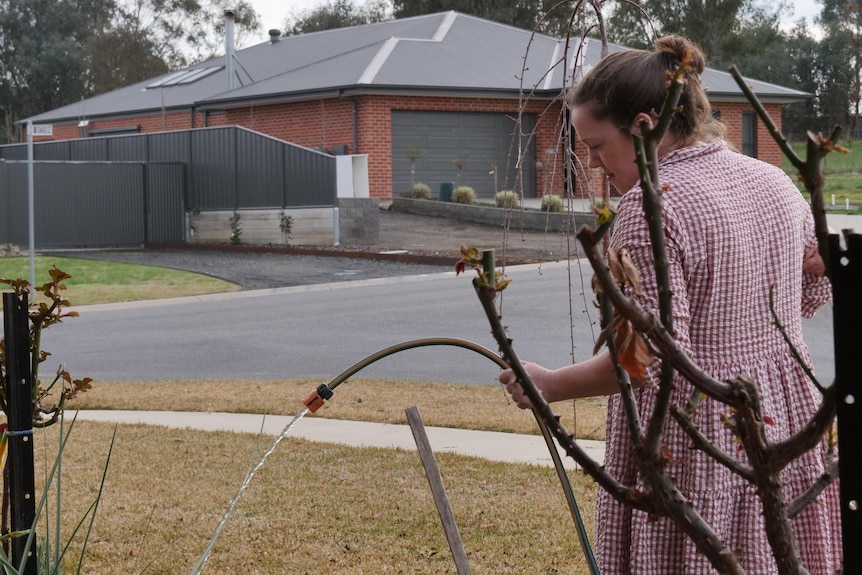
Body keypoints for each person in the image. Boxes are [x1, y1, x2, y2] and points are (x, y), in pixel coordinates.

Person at [498, 35, 842, 574]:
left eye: (596, 146)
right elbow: (815, 272)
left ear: (641, 126)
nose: (591, 164)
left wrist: (550, 384)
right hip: (783, 428)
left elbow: (644, 360)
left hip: (697, 438)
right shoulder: (770, 180)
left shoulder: (649, 209)